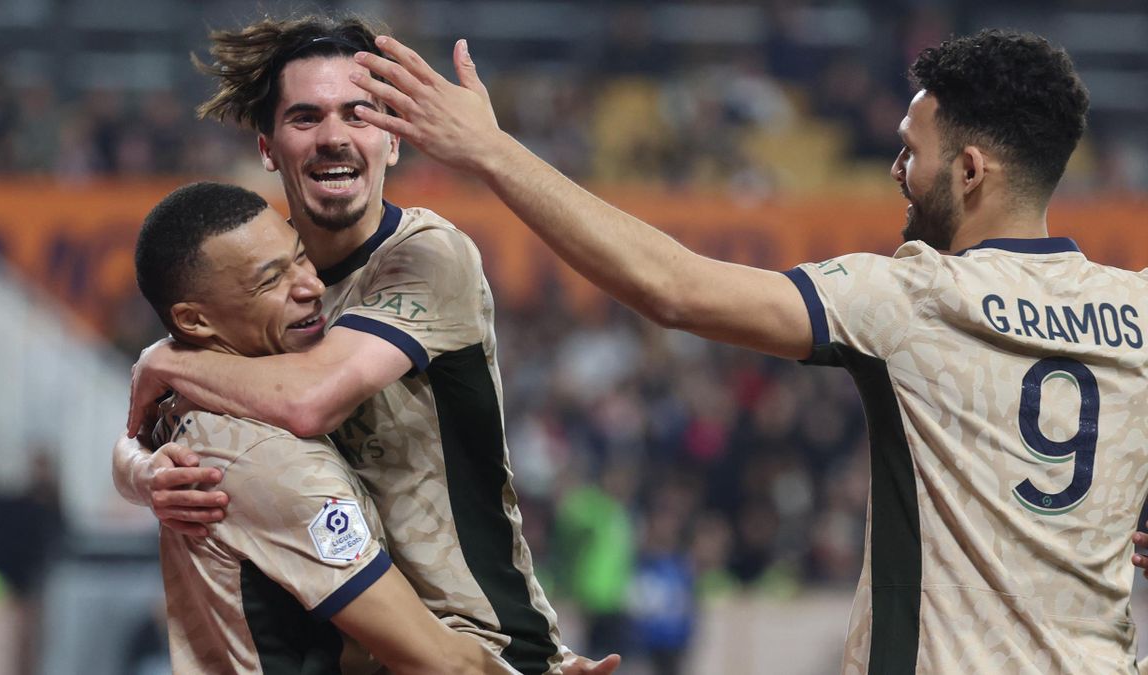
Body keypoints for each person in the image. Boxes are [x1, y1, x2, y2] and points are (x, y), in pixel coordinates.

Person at [347, 30, 1148, 673]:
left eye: (913, 150)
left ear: (970, 171)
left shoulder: (913, 297)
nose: (897, 168)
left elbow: (672, 287)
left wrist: (492, 151)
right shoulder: (1137, 307)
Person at [110, 15, 616, 675]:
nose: (334, 136)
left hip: (484, 646)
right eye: (305, 117)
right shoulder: (255, 278)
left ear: (393, 139)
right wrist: (144, 472)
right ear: (268, 148)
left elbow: (308, 400)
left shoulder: (428, 255)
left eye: (358, 113)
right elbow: (152, 425)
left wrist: (163, 359)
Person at [133, 180, 510, 675]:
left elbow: (134, 440)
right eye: (270, 281)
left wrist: (135, 467)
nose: (311, 287)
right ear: (194, 321)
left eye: (300, 258)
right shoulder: (266, 455)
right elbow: (439, 662)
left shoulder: (185, 401)